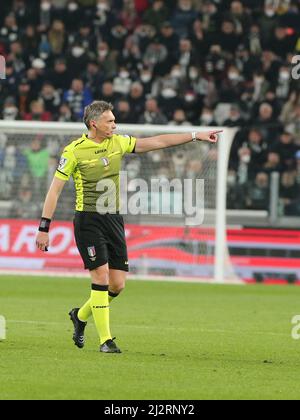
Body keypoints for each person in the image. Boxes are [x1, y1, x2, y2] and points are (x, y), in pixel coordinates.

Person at [36, 100, 221, 354]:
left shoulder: (118, 142)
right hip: (88, 220)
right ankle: (106, 340)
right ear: (94, 123)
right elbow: (54, 190)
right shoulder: (73, 151)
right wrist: (44, 228)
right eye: (110, 121)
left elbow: (157, 142)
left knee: (117, 285)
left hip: (113, 219)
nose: (115, 124)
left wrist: (194, 136)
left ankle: (79, 316)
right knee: (100, 277)